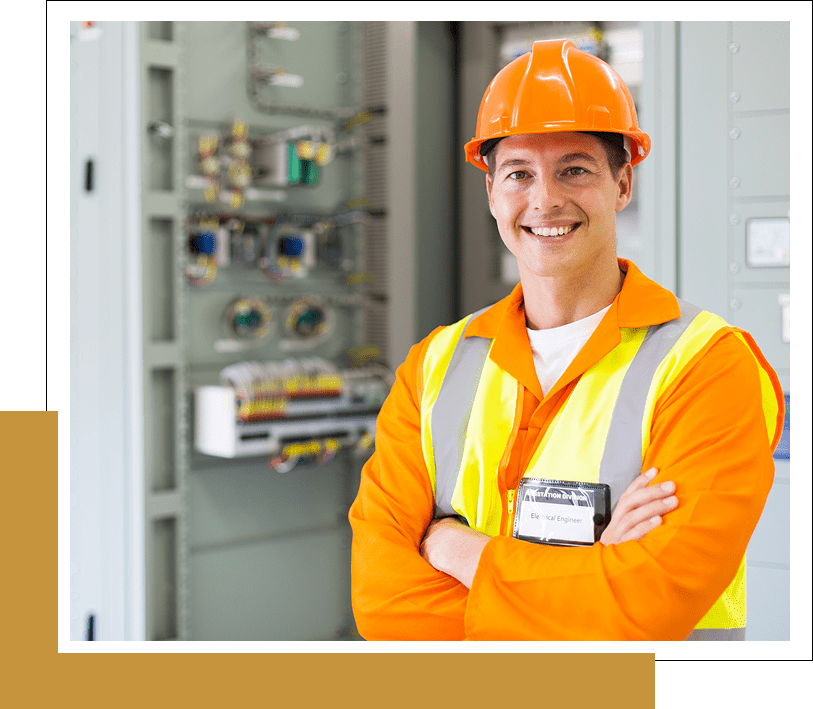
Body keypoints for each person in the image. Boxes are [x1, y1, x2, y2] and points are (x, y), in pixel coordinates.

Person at [348, 39, 784, 641]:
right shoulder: (434, 367)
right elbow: (381, 602)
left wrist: (452, 547)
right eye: (518, 174)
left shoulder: (708, 365)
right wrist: (591, 574)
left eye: (574, 169)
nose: (544, 199)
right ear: (492, 193)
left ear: (622, 184)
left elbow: (650, 604)